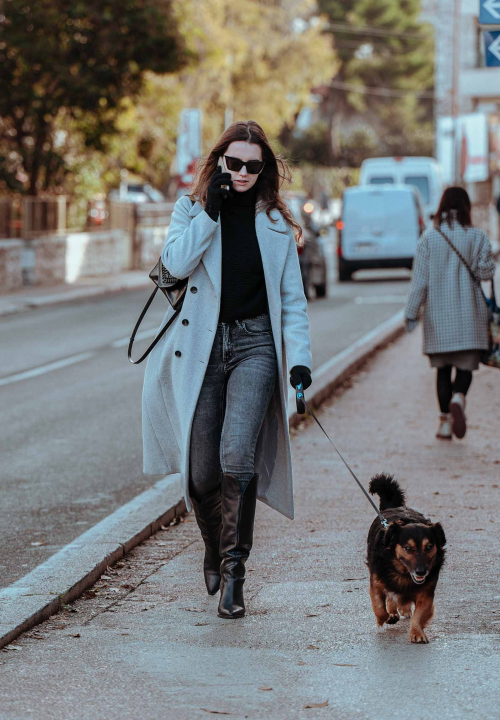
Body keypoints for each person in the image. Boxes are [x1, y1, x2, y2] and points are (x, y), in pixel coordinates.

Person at [141, 120, 312, 619]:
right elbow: (172, 266)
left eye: (251, 166)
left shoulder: (277, 222)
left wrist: (299, 360)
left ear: (264, 171)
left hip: (256, 345)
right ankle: (214, 547)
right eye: (232, 163)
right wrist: (210, 214)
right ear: (218, 163)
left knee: (238, 456)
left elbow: (292, 301)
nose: (241, 172)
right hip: (201, 346)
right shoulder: (192, 210)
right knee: (199, 474)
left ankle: (235, 573)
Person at [404, 187, 495, 441]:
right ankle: (459, 397)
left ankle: (444, 424)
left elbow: (419, 282)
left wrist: (411, 314)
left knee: (442, 371)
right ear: (467, 207)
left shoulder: (428, 239)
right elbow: (486, 273)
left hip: (438, 318)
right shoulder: (478, 237)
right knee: (465, 368)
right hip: (470, 316)